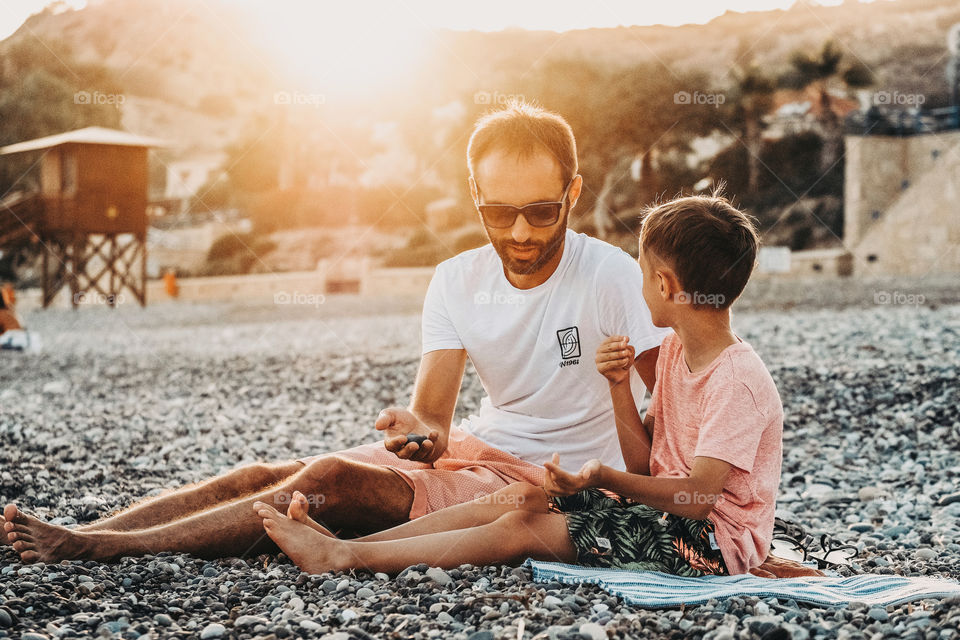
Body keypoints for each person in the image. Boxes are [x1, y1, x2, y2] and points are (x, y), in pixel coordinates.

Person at [3, 101, 670, 562]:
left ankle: (109, 549)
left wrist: (683, 507)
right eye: (498, 212)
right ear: (474, 197)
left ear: (573, 194)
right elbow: (434, 426)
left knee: (329, 477)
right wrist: (413, 432)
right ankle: (86, 529)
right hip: (474, 447)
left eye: (539, 211)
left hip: (544, 481)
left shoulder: (610, 276)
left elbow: (671, 400)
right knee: (261, 472)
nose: (519, 232)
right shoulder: (455, 280)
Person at [249, 194, 784, 577]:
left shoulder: (738, 379)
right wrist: (618, 386)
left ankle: (342, 559)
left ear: (665, 286)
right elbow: (647, 466)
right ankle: (359, 546)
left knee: (520, 531)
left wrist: (602, 478)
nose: (638, 283)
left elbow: (696, 500)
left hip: (712, 545)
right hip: (660, 518)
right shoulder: (672, 353)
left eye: (643, 272)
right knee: (519, 497)